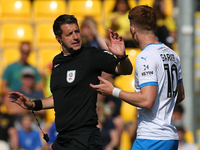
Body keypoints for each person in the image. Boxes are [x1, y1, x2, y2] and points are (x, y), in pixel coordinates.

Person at [8, 14, 133, 150]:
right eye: (69, 34)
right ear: (59, 39)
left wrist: (122, 56)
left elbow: (125, 70)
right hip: (62, 139)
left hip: (85, 138)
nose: (75, 37)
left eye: (77, 31)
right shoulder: (57, 62)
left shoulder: (91, 55)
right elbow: (59, 98)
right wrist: (33, 104)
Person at [90, 5, 185, 150]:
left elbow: (147, 101)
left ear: (132, 29)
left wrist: (113, 91)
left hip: (151, 138)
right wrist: (121, 56)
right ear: (154, 26)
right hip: (170, 138)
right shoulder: (172, 54)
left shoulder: (145, 56)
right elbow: (180, 95)